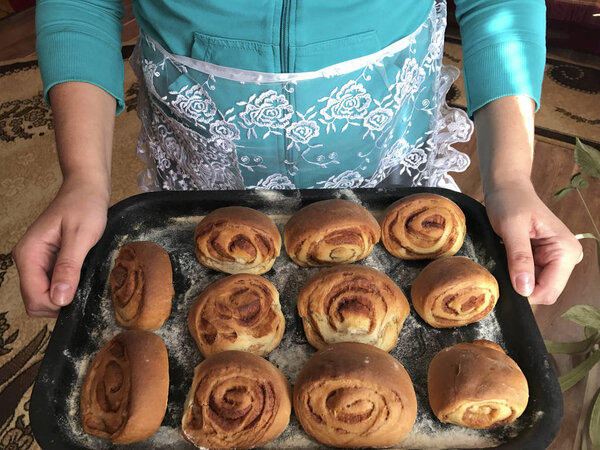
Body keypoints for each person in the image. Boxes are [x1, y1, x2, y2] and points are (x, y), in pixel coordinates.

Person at [13, 0, 582, 318]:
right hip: (205, 141)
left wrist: (509, 175)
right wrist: (83, 177)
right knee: (208, 299)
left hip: (379, 123)